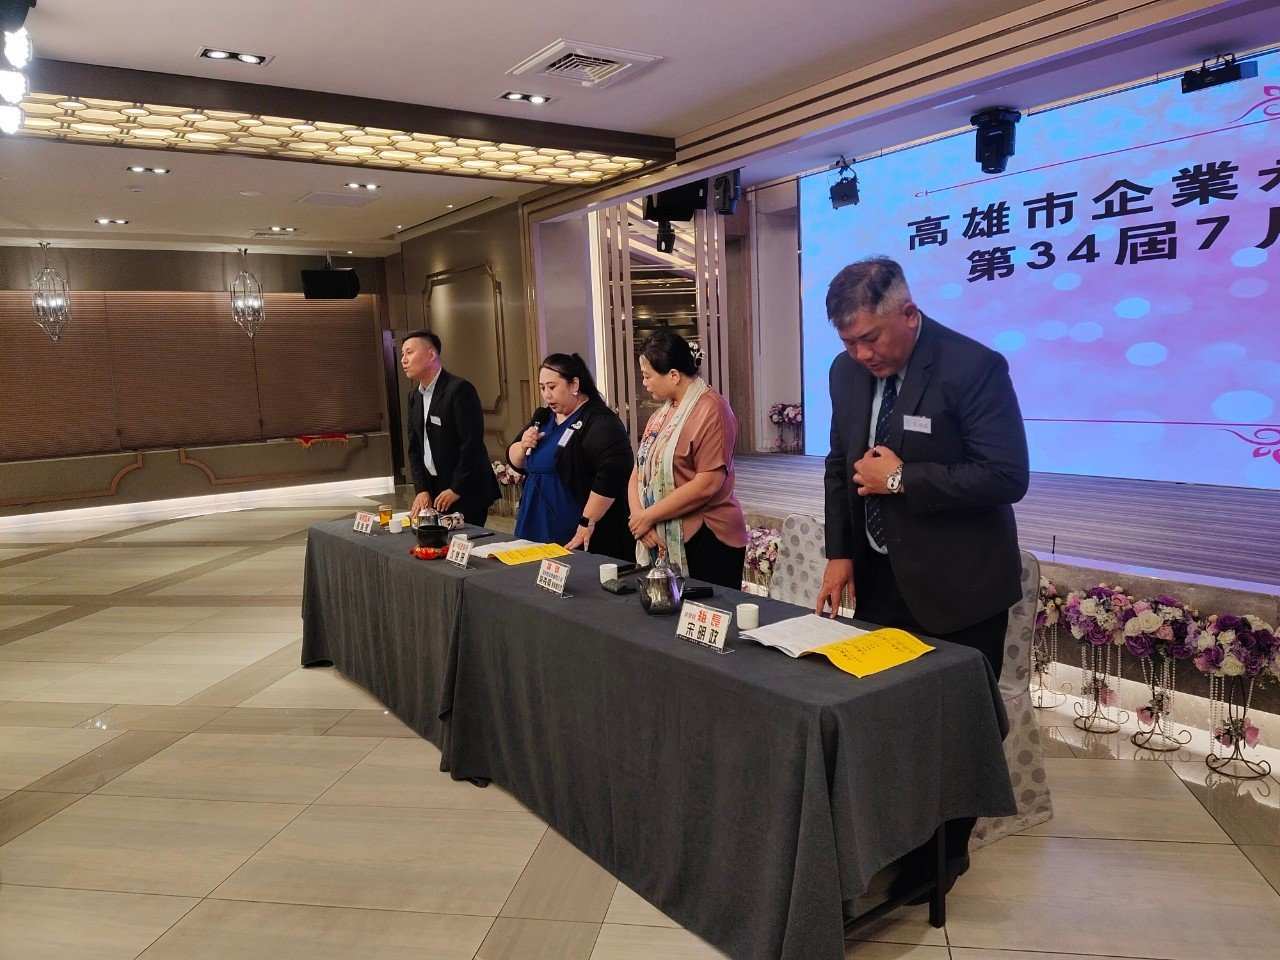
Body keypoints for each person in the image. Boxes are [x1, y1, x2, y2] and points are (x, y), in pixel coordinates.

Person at [814, 255, 1029, 901]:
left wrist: (903, 479)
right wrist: (840, 552)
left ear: (908, 314)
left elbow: (1006, 475)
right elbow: (839, 464)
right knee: (885, 718)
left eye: (870, 338)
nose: (861, 354)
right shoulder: (845, 373)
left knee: (955, 728)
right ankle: (897, 837)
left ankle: (944, 856)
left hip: (960, 586)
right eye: (848, 342)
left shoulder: (973, 367)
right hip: (879, 577)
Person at [627, 330, 747, 588]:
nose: (644, 383)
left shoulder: (713, 409)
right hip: (657, 529)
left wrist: (649, 516)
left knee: (708, 609)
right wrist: (640, 519)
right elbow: (639, 470)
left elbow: (708, 483)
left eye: (647, 376)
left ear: (673, 375)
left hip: (708, 536)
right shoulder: (661, 414)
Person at [507, 353, 635, 561]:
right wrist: (523, 445)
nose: (546, 395)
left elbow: (612, 474)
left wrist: (587, 521)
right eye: (542, 388)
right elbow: (514, 461)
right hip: (533, 522)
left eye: (552, 387)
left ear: (574, 384)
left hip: (573, 528)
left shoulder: (599, 420)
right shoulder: (543, 418)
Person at [401, 330, 499, 526]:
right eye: (402, 354)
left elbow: (471, 445)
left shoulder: (459, 390)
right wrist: (421, 489)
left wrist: (456, 488)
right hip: (435, 490)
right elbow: (414, 448)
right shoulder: (414, 396)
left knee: (463, 543)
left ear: (431, 354)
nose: (404, 360)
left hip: (466, 489)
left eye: (409, 353)